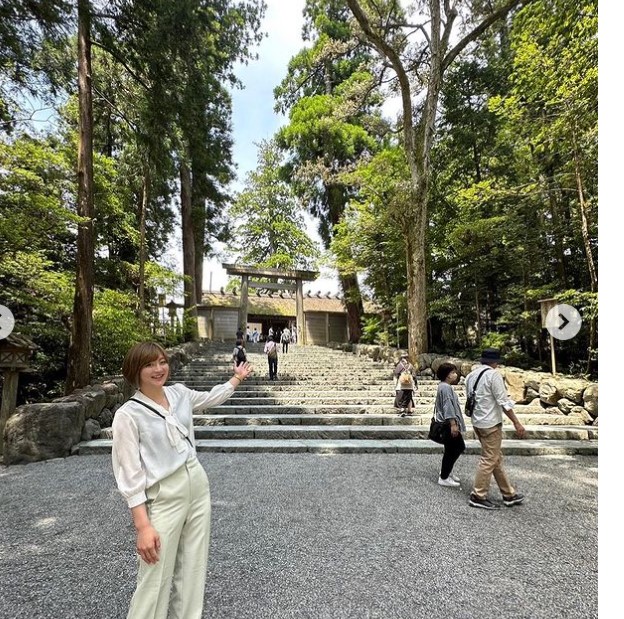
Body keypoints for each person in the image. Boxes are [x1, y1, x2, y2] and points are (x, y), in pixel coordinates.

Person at [111, 341, 252, 618]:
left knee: (192, 568)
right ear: (135, 371)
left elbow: (211, 398)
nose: (158, 368)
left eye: (162, 361)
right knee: (155, 574)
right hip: (164, 494)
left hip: (197, 484)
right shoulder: (128, 415)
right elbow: (129, 474)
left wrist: (236, 378)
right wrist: (142, 526)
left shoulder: (179, 394)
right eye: (149, 364)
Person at [465, 348, 526, 510]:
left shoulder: (471, 376)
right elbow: (503, 402)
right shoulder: (493, 375)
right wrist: (516, 422)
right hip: (491, 423)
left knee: (495, 458)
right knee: (489, 459)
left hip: (477, 422)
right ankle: (478, 495)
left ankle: (509, 494)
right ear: (496, 362)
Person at [433, 362, 465, 488]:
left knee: (451, 449)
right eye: (452, 372)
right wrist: (453, 424)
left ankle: (446, 471)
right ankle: (444, 477)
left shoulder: (443, 386)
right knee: (457, 447)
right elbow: (447, 406)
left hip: (446, 422)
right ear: (447, 375)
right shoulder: (446, 388)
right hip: (448, 423)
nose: (455, 374)